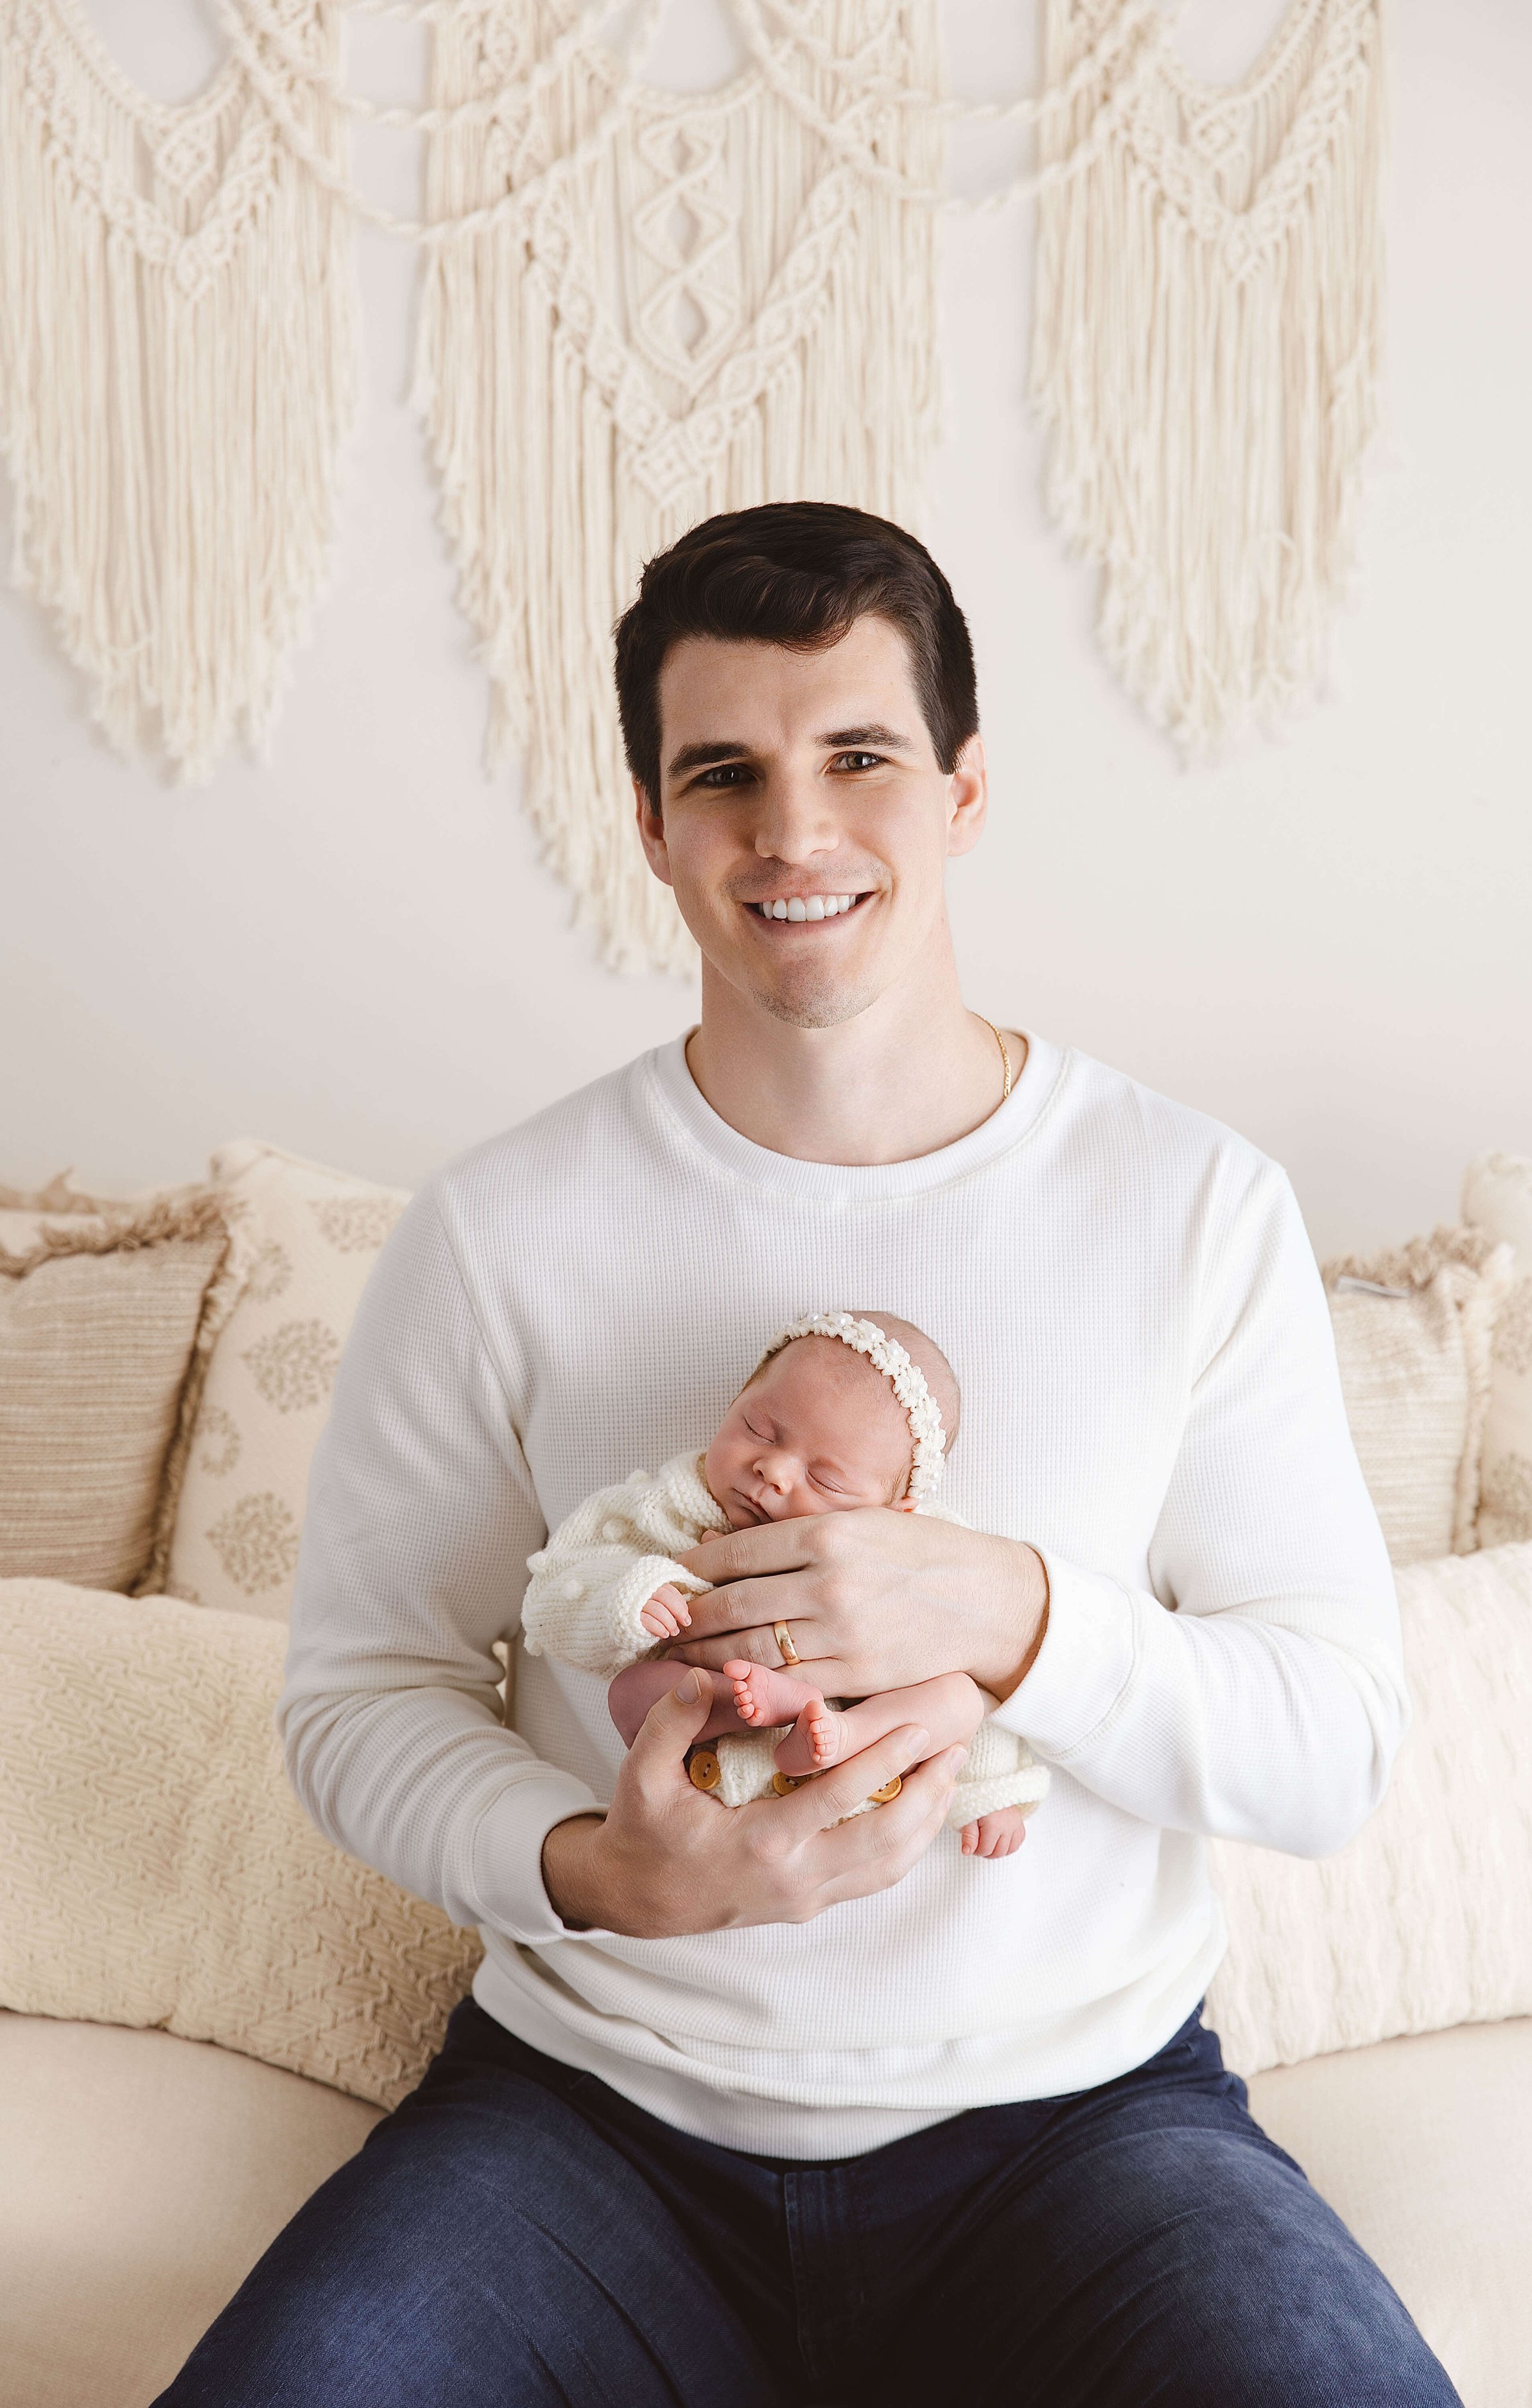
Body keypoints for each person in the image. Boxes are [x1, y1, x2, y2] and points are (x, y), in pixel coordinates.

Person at [156, 502, 1462, 2405]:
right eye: (724, 775)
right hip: (587, 2119)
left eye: (855, 756)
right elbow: (362, 1694)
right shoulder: (500, 1227)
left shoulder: (1186, 1204)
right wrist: (602, 1869)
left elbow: (1329, 1741)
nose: (791, 831)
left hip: (1079, 2124)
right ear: (650, 825)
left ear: (960, 791)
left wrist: (1020, 1614)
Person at [522, 1307, 1046, 1856]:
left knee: (959, 1696)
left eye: (825, 1479)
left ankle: (845, 1730)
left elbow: (972, 1654)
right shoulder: (666, 1510)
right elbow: (558, 1589)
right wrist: (629, 1594)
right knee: (632, 1693)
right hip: (706, 1753)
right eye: (759, 1430)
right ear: (734, 1404)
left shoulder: (926, 1554)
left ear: (899, 1512)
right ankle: (745, 1701)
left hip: (849, 1756)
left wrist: (993, 1789)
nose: (774, 1471)